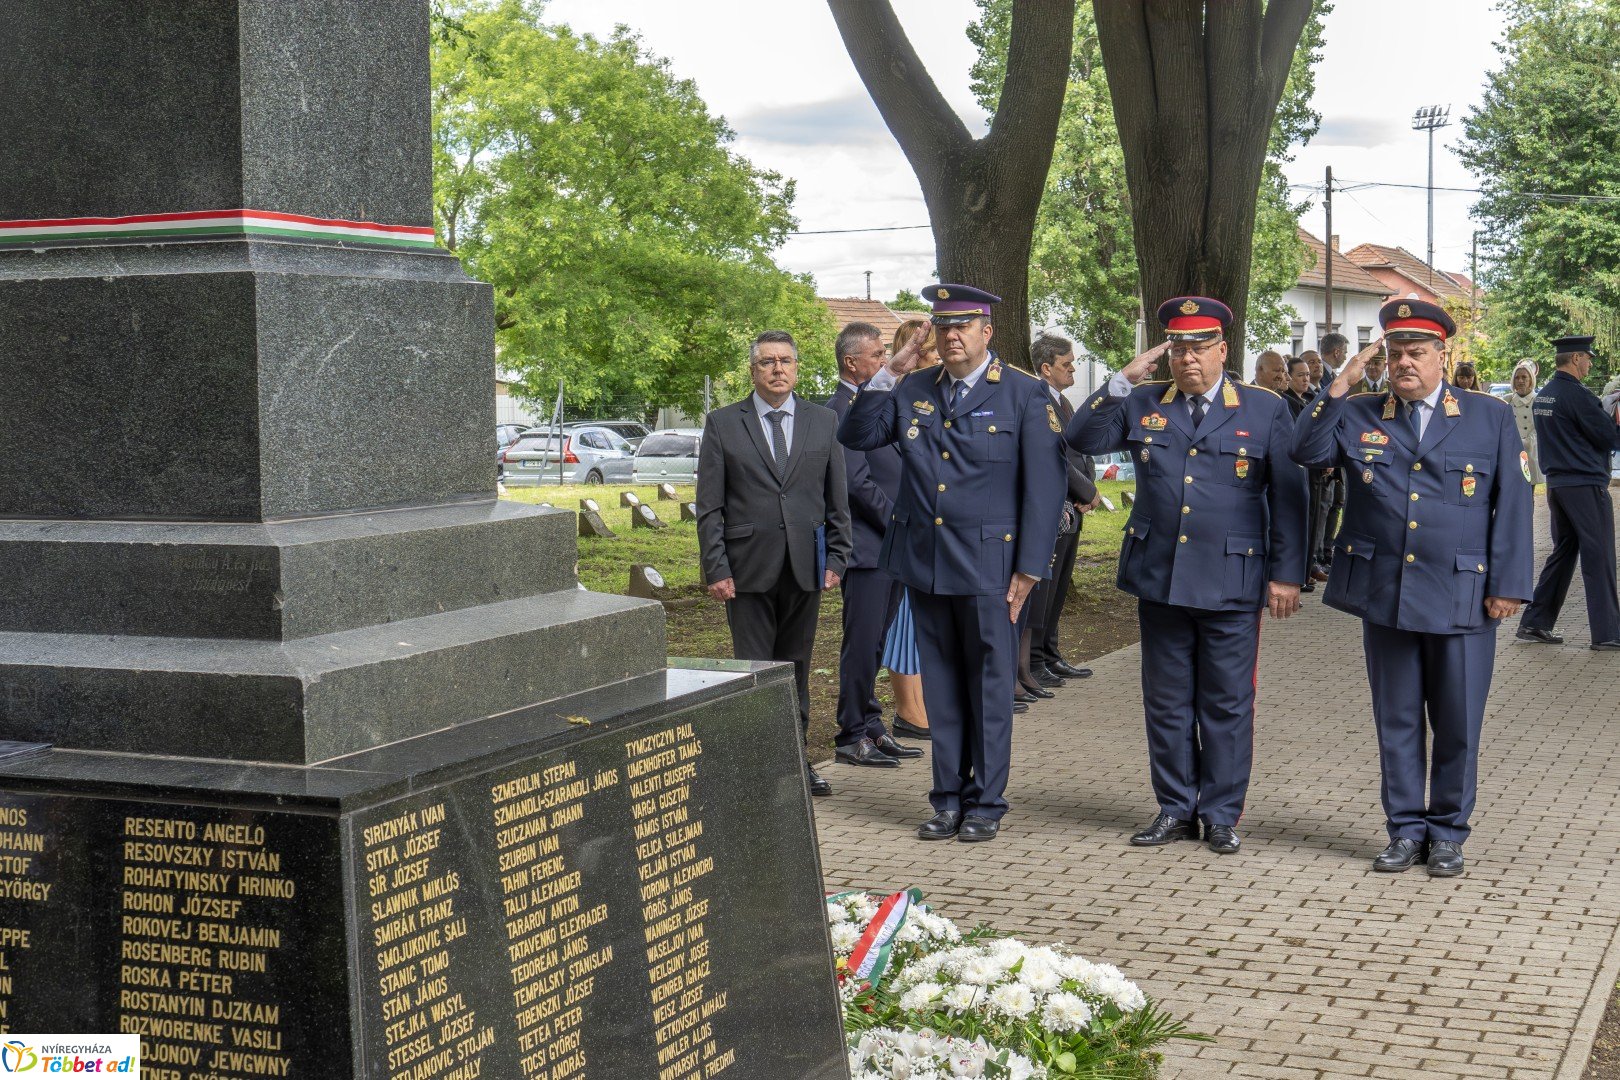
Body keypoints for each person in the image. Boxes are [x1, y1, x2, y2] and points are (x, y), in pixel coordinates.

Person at [1291, 299, 1533, 877]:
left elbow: (1515, 505)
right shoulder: (1361, 413)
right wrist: (1339, 387)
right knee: (1396, 719)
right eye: (1395, 353)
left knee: (1457, 721)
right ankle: (1404, 829)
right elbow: (1304, 450)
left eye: (1416, 353)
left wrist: (1508, 586)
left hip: (1463, 594)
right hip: (1389, 592)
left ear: (1441, 356)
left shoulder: (1487, 415)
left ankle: (1448, 832)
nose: (1404, 363)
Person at [1068, 296, 1308, 855]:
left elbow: (1291, 498)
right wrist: (1120, 381)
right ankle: (1175, 807)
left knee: (1226, 701)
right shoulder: (1144, 402)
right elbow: (1080, 439)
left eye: (1199, 347)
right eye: (1178, 348)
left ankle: (1221, 812)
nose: (1187, 359)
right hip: (1162, 576)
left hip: (1232, 576)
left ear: (1223, 350)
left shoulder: (1262, 408)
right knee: (1168, 700)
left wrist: (1287, 575)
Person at [839, 283, 1066, 843]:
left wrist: (1031, 567)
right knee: (940, 685)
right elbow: (855, 432)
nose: (953, 335)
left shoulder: (1023, 394)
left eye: (964, 325)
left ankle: (986, 800)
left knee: (990, 684)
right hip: (927, 562)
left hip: (995, 566)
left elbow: (1044, 488)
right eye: (943, 326)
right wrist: (889, 370)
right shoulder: (911, 387)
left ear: (987, 331)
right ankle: (946, 798)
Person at [696, 329, 853, 797]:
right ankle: (756, 766)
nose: (777, 369)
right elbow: (709, 505)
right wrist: (716, 567)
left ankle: (796, 762)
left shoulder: (821, 421)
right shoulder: (723, 423)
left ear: (797, 367)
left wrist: (840, 558)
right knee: (755, 671)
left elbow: (836, 498)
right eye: (767, 362)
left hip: (806, 567)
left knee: (797, 668)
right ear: (753, 370)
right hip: (745, 572)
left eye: (785, 360)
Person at [825, 322, 922, 769]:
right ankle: (850, 735)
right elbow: (857, 485)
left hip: (892, 545)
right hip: (867, 547)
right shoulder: (840, 409)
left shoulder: (879, 402)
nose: (885, 360)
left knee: (879, 643)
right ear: (852, 362)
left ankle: (873, 725)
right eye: (878, 355)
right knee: (861, 644)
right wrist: (899, 524)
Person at [1515, 335, 1620, 651]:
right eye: (1587, 357)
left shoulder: (1546, 395)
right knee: (1599, 555)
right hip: (1585, 485)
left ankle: (1535, 622)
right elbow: (1608, 438)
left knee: (1563, 553)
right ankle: (1608, 633)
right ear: (1575, 358)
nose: (1589, 363)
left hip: (1558, 486)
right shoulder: (1578, 396)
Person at [1029, 334, 1099, 685]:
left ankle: (1051, 654)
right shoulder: (1039, 400)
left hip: (1073, 505)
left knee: (1058, 588)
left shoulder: (1063, 402)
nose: (1073, 368)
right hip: (1057, 506)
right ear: (1046, 368)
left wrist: (1087, 490)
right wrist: (1087, 489)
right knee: (1045, 587)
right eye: (1066, 364)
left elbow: (1079, 450)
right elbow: (1054, 456)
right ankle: (1035, 660)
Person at [882, 319, 940, 736]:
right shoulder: (897, 400)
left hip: (930, 532)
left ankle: (919, 706)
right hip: (900, 530)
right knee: (903, 627)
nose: (939, 360)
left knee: (920, 627)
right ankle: (906, 709)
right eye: (933, 354)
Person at [1507, 361, 1544, 484]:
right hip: (1511, 451)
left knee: (1529, 491)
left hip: (1532, 451)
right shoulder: (1507, 400)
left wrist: (1526, 442)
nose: (1520, 381)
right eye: (1517, 377)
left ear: (1531, 379)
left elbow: (1541, 428)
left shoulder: (1539, 400)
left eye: (1524, 377)